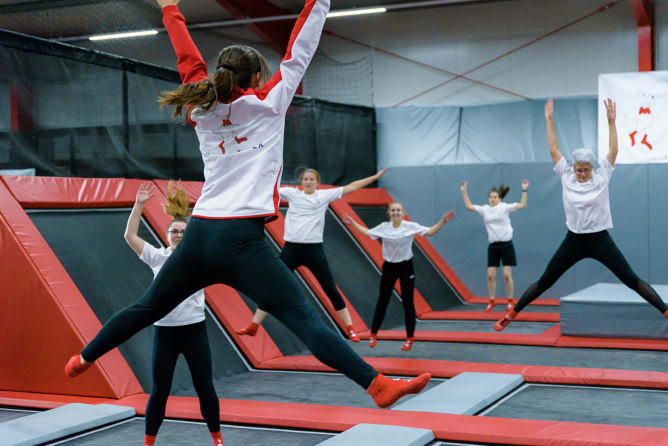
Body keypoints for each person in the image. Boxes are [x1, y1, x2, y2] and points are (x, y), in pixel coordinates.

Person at [65, 0, 430, 410]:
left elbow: (188, 60)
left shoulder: (200, 108)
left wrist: (170, 8)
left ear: (219, 76)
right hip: (242, 242)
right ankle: (376, 385)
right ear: (257, 77)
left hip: (200, 235)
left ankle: (86, 356)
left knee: (147, 307)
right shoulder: (269, 101)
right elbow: (300, 48)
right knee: (306, 319)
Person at [495, 98, 668, 331]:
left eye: (586, 170)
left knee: (631, 280)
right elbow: (553, 149)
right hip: (574, 240)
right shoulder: (566, 175)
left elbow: (614, 150)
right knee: (546, 281)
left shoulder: (602, 176)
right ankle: (512, 314)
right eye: (579, 170)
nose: (583, 174)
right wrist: (549, 121)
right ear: (573, 168)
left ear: (592, 168)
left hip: (600, 240)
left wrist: (611, 121)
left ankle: (665, 312)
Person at [236, 167, 388, 342]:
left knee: (330, 288)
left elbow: (352, 187)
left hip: (314, 250)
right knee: (273, 286)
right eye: (305, 179)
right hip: (291, 249)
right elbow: (266, 189)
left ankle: (350, 328)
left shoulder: (324, 195)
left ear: (317, 181)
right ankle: (254, 325)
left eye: (311, 179)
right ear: (301, 182)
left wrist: (374, 177)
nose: (308, 181)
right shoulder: (292, 194)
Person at [125, 181, 222, 446]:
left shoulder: (200, 258)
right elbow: (129, 236)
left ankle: (217, 439)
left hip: (195, 332)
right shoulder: (158, 258)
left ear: (189, 236)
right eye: (174, 231)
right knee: (159, 392)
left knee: (205, 388)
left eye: (183, 231)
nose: (178, 235)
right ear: (167, 236)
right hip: (165, 334)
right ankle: (148, 442)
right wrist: (139, 205)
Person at [344, 203, 455, 351]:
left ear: (403, 213)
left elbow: (430, 232)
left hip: (405, 267)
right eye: (393, 210)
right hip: (390, 267)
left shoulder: (410, 226)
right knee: (383, 300)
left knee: (408, 302)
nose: (396, 212)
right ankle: (373, 334)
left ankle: (410, 337)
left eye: (398, 210)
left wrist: (443, 221)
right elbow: (367, 233)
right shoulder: (384, 227)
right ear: (389, 213)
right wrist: (353, 224)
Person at [460, 180, 528, 312]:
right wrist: (463, 191)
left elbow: (522, 205)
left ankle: (510, 301)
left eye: (495, 197)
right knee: (490, 275)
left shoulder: (504, 207)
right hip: (493, 246)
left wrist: (524, 190)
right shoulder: (485, 210)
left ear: (500, 199)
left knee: (507, 275)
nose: (492, 199)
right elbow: (469, 206)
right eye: (490, 197)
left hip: (506, 245)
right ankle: (491, 301)